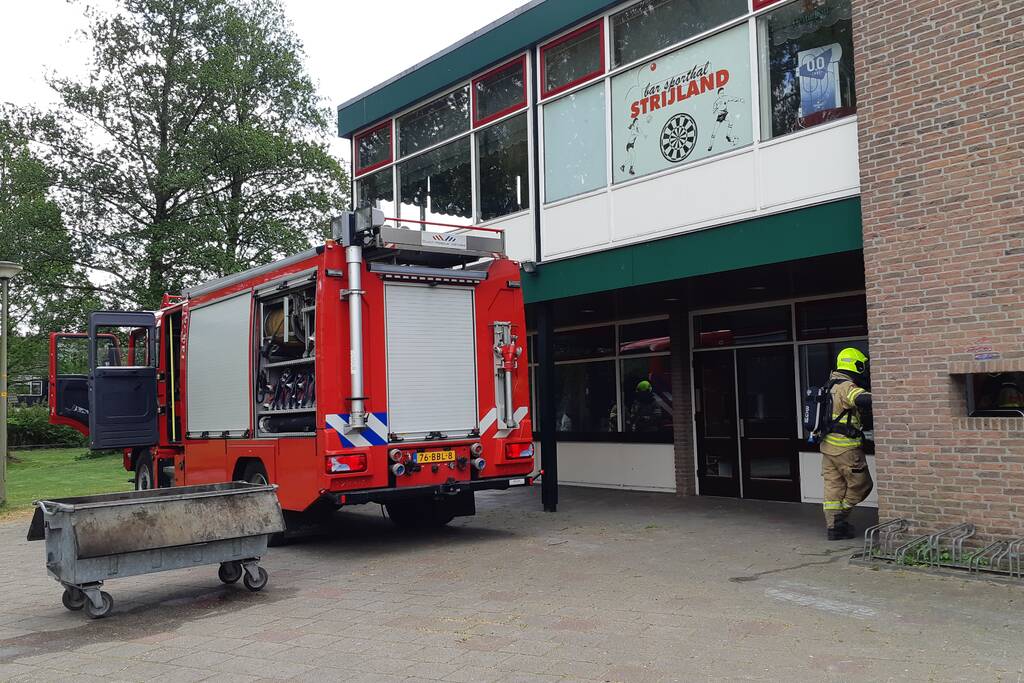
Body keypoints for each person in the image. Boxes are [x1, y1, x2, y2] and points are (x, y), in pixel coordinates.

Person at [821, 348, 874, 541]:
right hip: (846, 448)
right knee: (863, 484)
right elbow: (861, 398)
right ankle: (840, 517)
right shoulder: (845, 386)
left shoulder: (828, 385)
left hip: (827, 447)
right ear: (855, 365)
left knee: (834, 487)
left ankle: (834, 528)